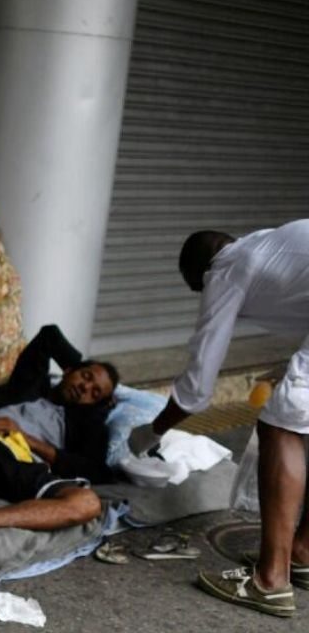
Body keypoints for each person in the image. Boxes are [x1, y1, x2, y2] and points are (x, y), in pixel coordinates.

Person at [130, 221, 309, 618]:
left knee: (280, 425)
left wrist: (151, 431)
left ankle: (270, 581)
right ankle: (301, 553)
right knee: (297, 416)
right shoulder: (265, 245)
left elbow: (197, 389)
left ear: (201, 275)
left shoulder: (226, 268)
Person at [0, 325, 116, 533]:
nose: (85, 388)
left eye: (95, 393)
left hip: (6, 456)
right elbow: (49, 335)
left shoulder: (83, 424)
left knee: (86, 503)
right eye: (87, 376)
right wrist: (74, 368)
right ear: (70, 370)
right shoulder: (28, 385)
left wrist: (26, 438)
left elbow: (98, 471)